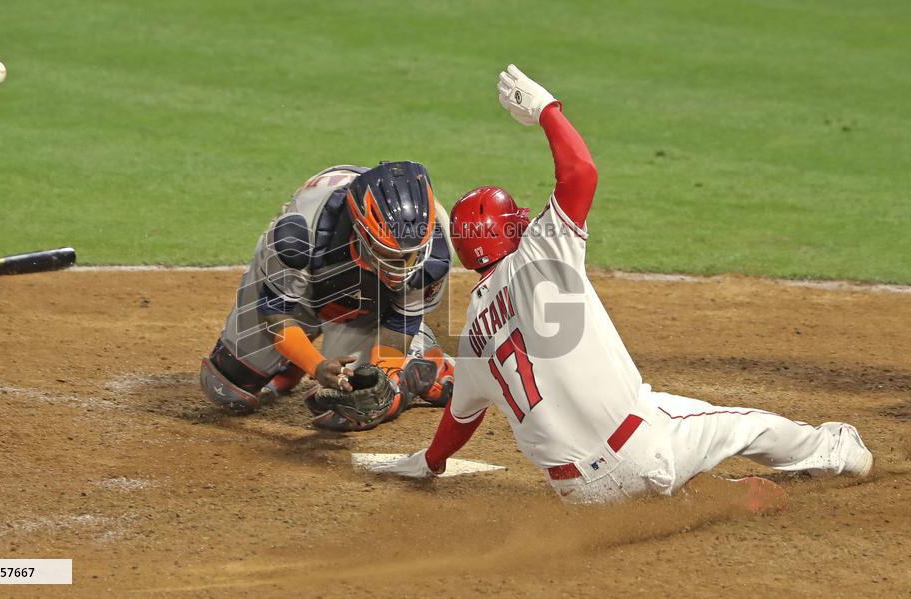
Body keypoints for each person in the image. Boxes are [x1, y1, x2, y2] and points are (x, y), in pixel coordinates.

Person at [370, 66, 873, 507]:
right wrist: (547, 109)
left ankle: (712, 497)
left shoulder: (474, 329)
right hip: (644, 452)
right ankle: (839, 452)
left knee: (658, 417)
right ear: (507, 231)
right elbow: (580, 174)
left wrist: (430, 463)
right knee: (746, 425)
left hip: (582, 499)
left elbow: (461, 420)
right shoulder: (543, 251)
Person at [200, 161, 455, 431]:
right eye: (388, 253)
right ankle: (291, 358)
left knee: (356, 405)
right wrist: (316, 365)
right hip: (307, 282)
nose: (402, 264)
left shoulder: (434, 247)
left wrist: (381, 375)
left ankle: (420, 359)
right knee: (225, 388)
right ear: (361, 231)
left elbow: (400, 320)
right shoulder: (301, 231)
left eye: (410, 255)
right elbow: (275, 311)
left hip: (370, 304)